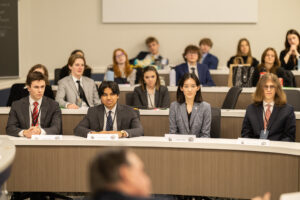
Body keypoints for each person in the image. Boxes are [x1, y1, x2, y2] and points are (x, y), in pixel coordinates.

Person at [74, 81, 143, 138]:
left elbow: (139, 130)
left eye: (112, 94)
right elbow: (78, 129)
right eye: (105, 95)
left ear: (118, 95)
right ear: (100, 97)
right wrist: (94, 133)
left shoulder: (129, 111)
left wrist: (121, 133)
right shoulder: (93, 111)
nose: (109, 98)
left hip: (121, 146)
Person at [241, 73, 295, 141]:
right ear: (260, 89)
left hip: (277, 149)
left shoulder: (287, 110)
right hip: (255, 149)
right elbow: (245, 134)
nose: (268, 89)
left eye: (272, 86)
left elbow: (289, 137)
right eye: (265, 86)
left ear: (277, 89)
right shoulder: (251, 109)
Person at [6, 71, 62, 137]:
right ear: (28, 88)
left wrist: (40, 131)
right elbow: (10, 128)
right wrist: (24, 132)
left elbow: (57, 128)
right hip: (25, 141)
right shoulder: (17, 105)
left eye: (42, 87)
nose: (40, 90)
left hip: (45, 141)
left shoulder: (53, 105)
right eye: (36, 87)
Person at [169, 73, 211, 137]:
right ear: (181, 88)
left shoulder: (206, 107)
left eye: (193, 86)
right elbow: (173, 133)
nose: (189, 90)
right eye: (186, 86)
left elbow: (205, 135)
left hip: (199, 145)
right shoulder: (174, 106)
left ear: (198, 88)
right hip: (180, 145)